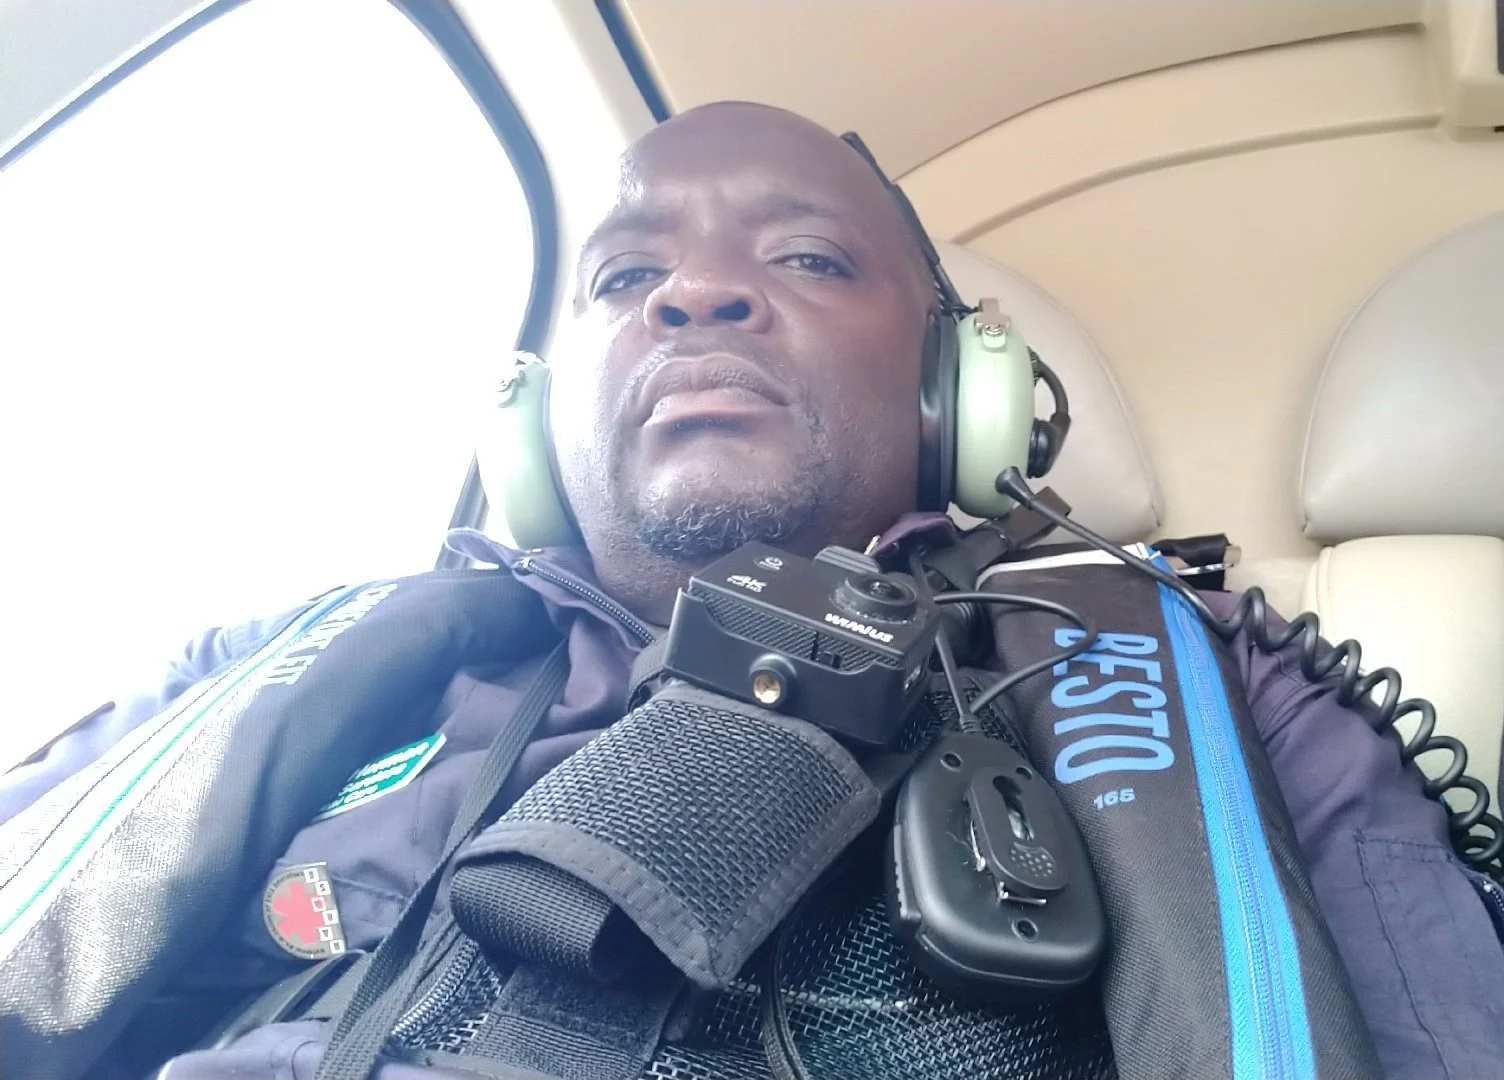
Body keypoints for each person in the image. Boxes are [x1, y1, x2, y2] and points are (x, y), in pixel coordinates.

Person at [4, 102, 1503, 1080]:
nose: (694, 294)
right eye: (619, 279)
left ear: (955, 391)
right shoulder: (305, 663)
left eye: (804, 256)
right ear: (532, 416)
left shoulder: (1207, 686)